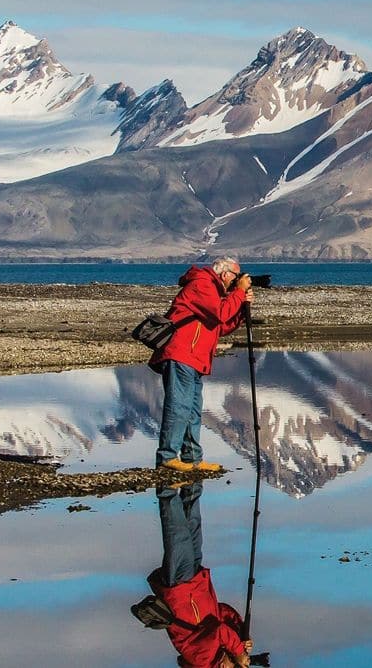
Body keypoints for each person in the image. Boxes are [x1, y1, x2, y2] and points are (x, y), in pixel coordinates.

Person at [153, 256, 253, 472]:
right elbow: (220, 313)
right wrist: (239, 293)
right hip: (182, 353)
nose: (237, 282)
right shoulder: (202, 284)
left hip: (195, 357)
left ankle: (192, 459)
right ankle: (167, 457)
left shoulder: (214, 291)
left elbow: (221, 326)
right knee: (179, 405)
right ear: (225, 274)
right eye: (236, 277)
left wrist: (242, 312)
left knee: (193, 410)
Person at [151, 482, 254, 668]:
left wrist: (238, 650)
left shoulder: (202, 661)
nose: (235, 664)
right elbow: (221, 612)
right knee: (192, 522)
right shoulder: (216, 653)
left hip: (181, 588)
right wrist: (239, 631)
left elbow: (218, 630)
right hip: (196, 583)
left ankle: (167, 480)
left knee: (177, 532)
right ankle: (192, 471)